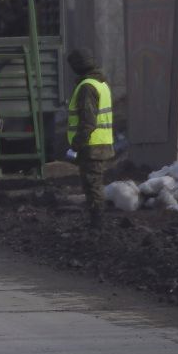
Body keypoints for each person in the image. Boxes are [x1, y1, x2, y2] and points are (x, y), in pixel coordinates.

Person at [64, 47, 114, 227]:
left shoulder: (87, 87)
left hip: (92, 146)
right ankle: (96, 221)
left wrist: (76, 145)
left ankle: (97, 223)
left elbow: (88, 122)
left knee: (92, 186)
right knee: (95, 184)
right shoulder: (101, 84)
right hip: (101, 143)